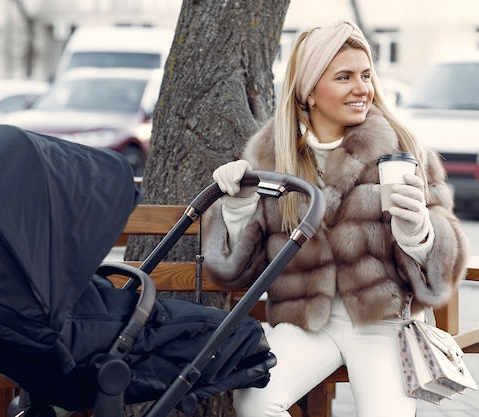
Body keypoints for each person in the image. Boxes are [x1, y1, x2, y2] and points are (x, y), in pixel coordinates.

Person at [201, 19, 469, 417]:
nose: (362, 88)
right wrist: (237, 206)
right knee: (255, 401)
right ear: (309, 91)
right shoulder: (268, 156)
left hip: (381, 323)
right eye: (344, 77)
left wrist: (418, 233)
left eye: (365, 75)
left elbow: (443, 266)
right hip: (303, 319)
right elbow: (239, 271)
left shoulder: (402, 150)